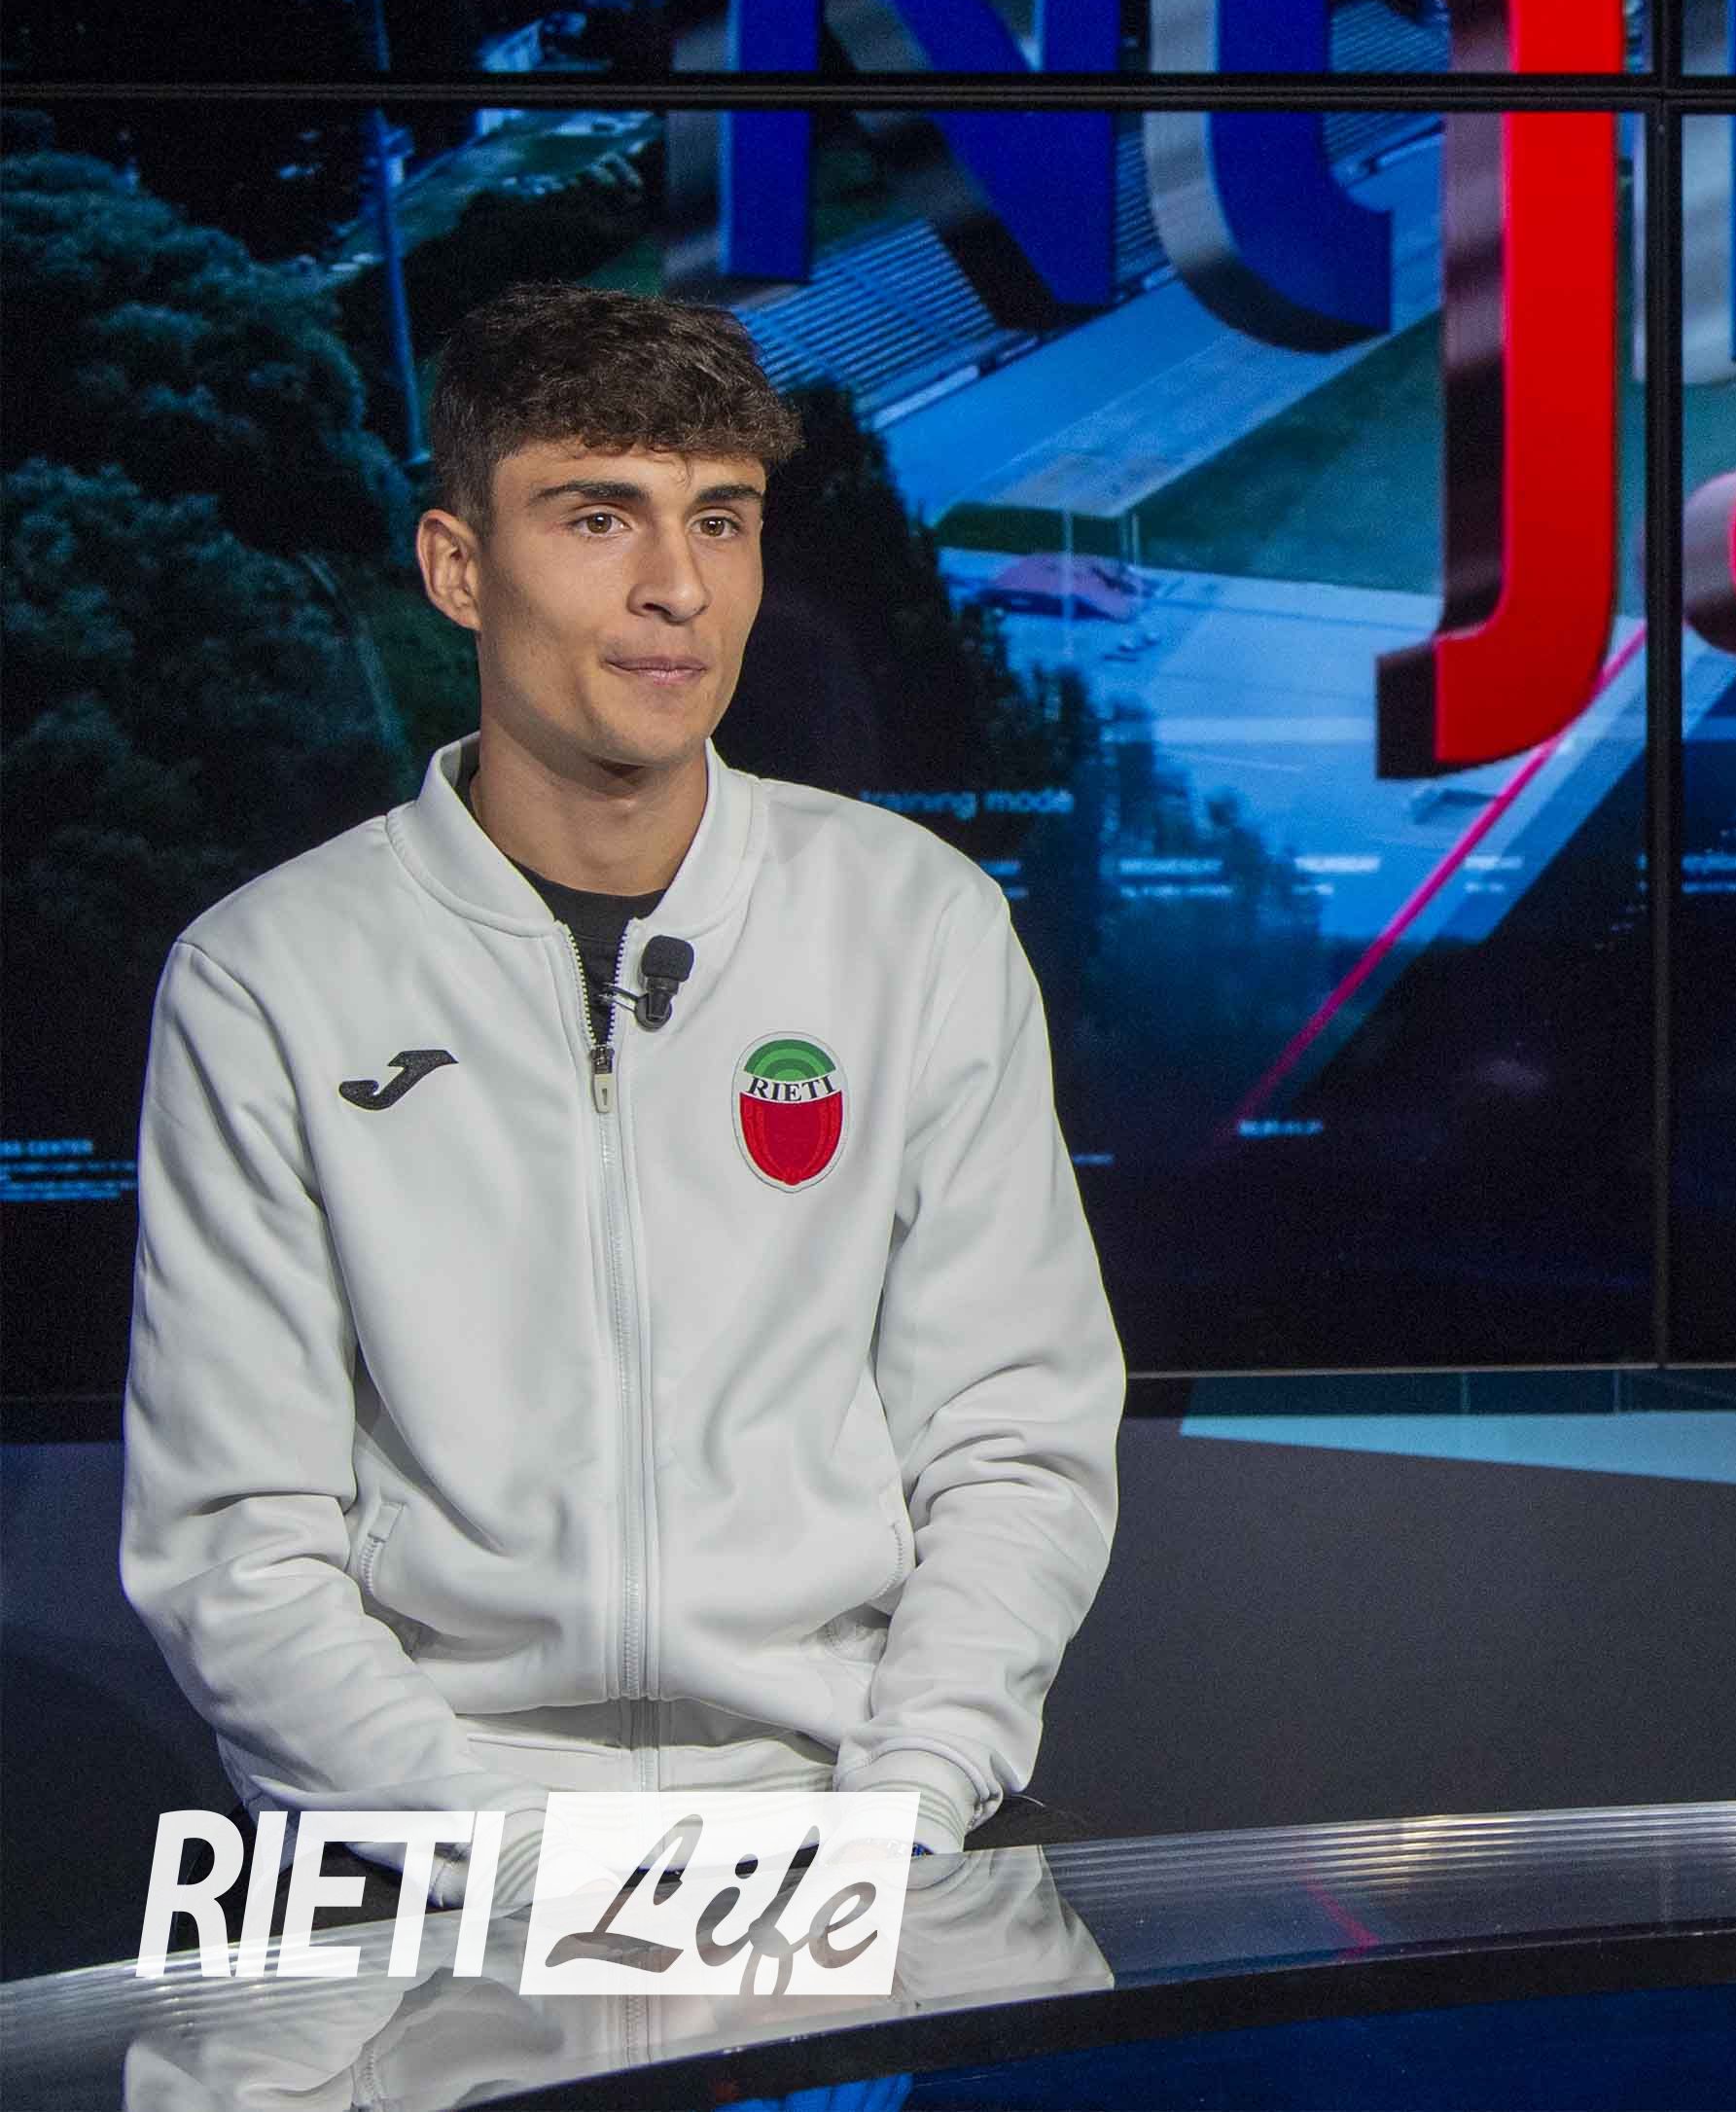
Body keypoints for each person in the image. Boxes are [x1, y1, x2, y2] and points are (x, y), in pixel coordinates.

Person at [122, 284, 1125, 1893]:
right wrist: (530, 1871)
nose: (679, 587)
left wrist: (910, 1802)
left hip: (854, 1820)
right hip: (425, 1850)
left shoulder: (916, 923)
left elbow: (1014, 1439)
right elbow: (238, 1537)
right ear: (457, 567)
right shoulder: (269, 975)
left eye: (719, 520)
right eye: (600, 518)